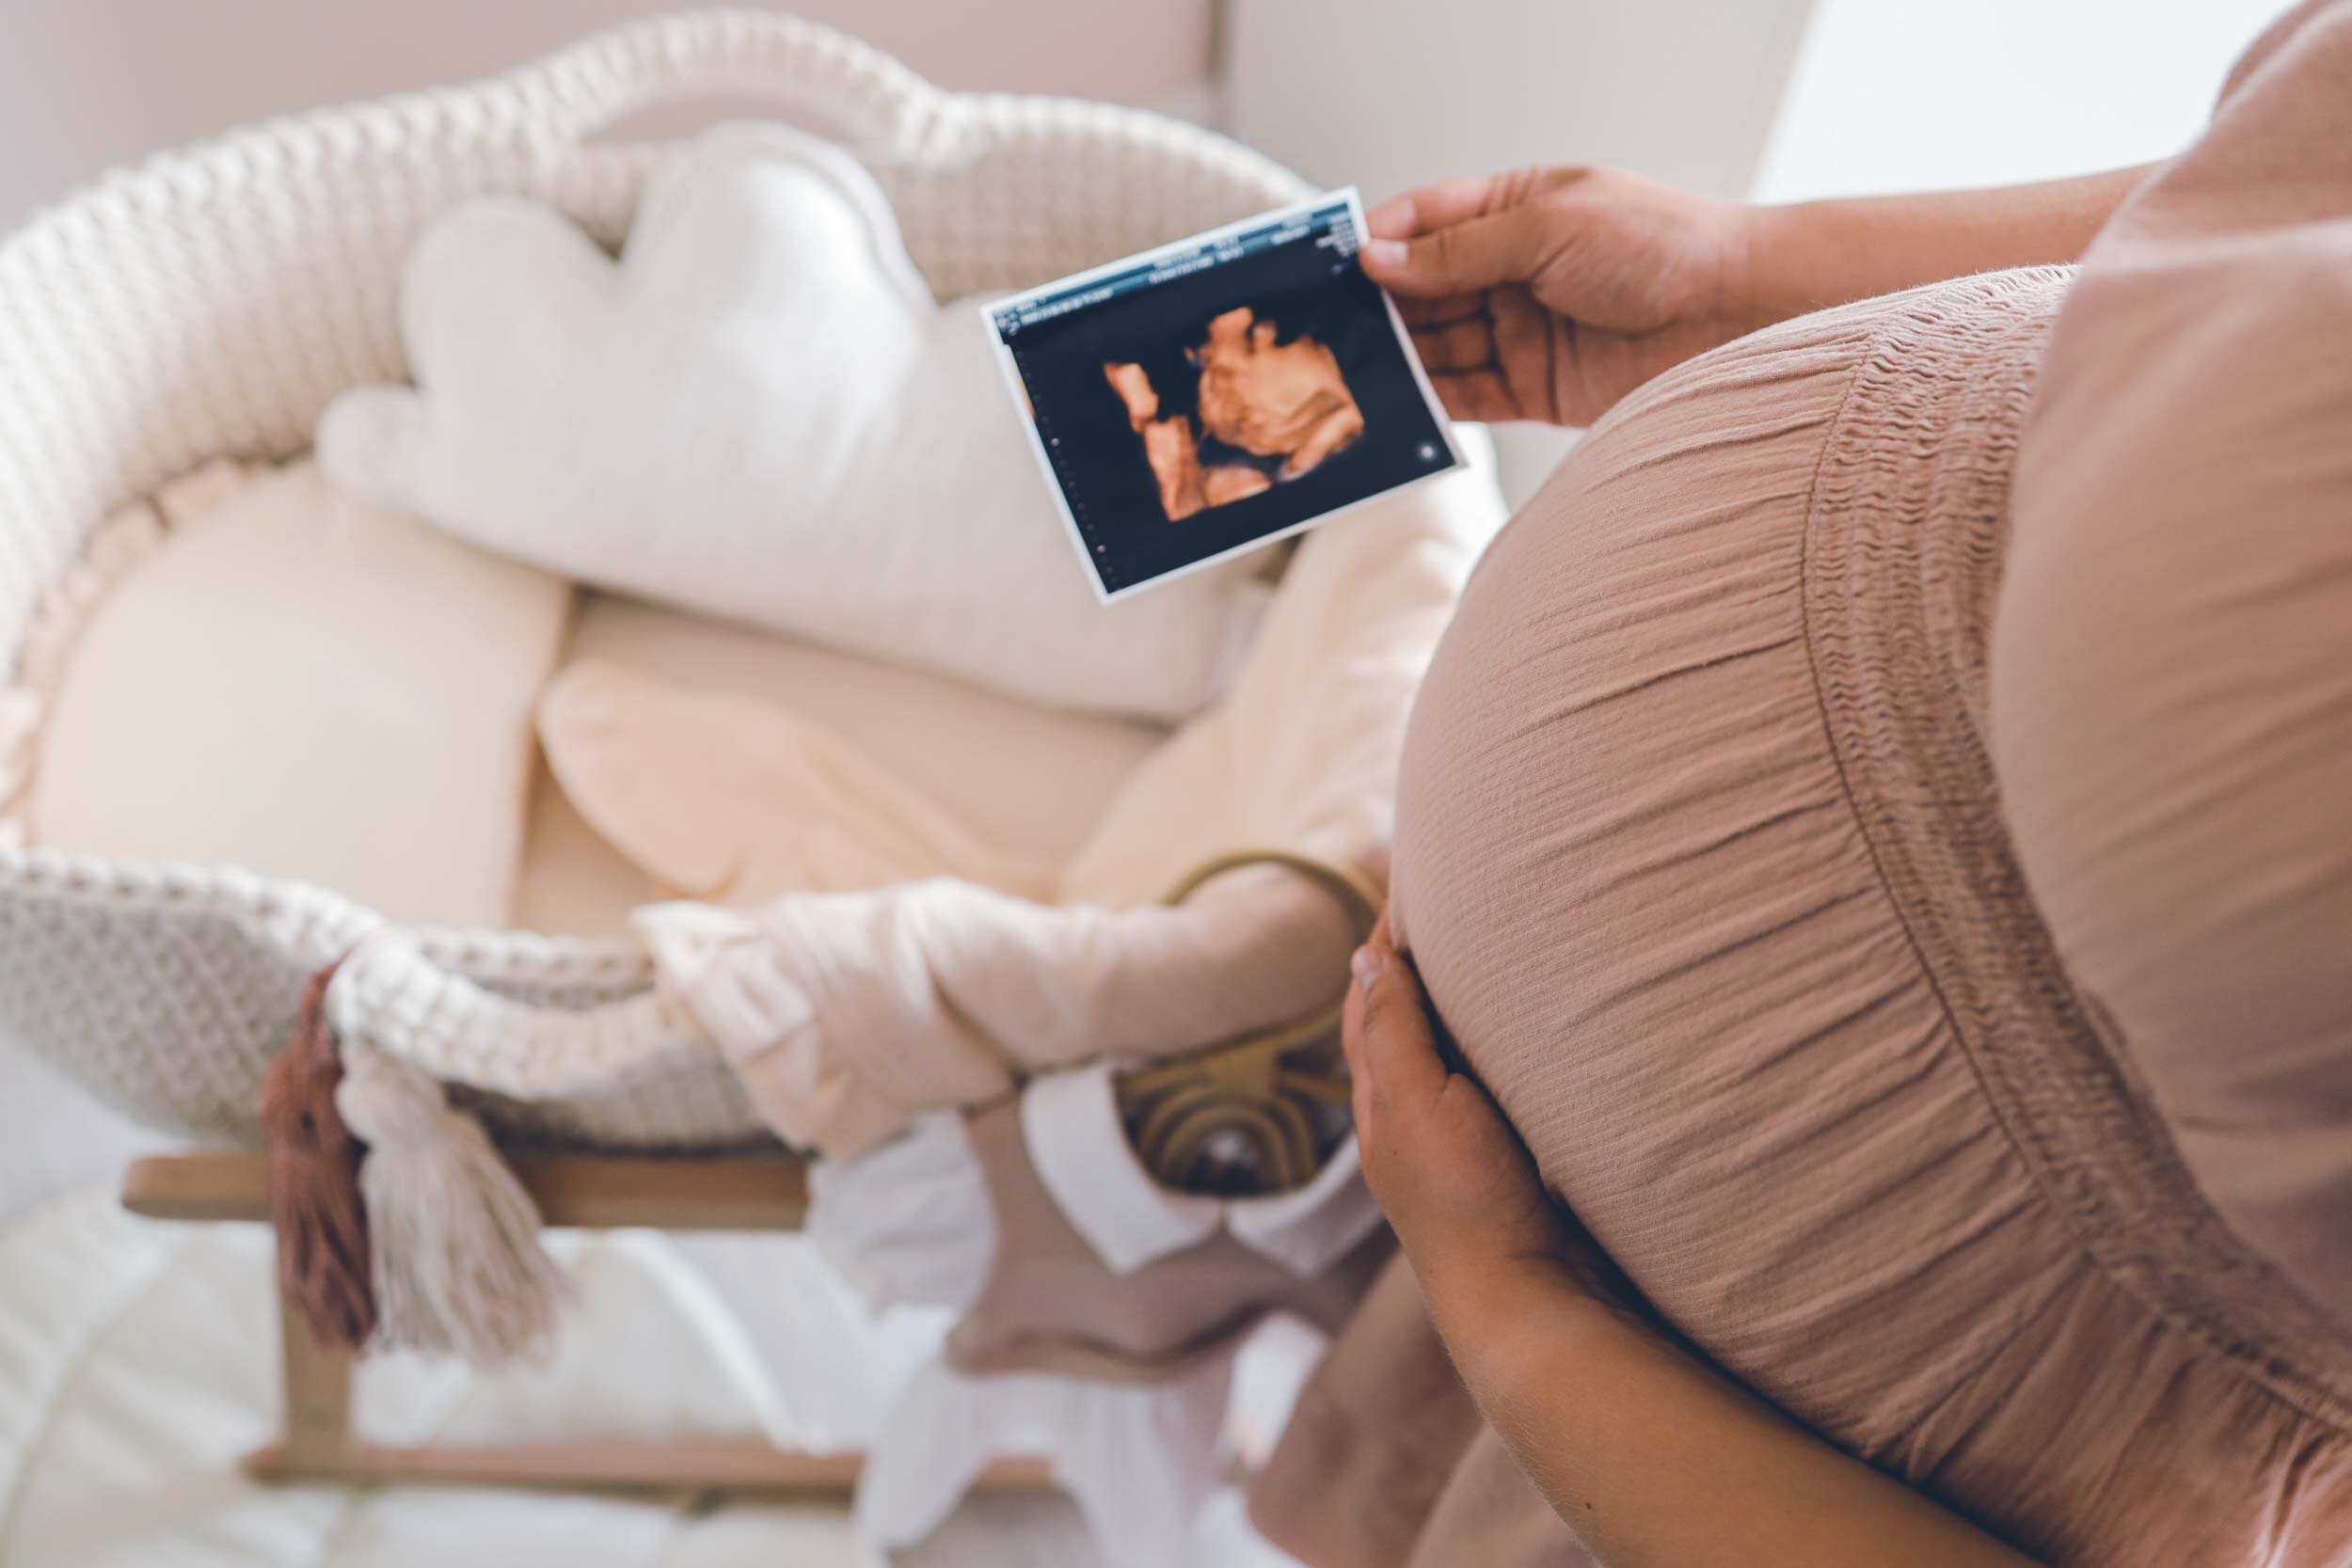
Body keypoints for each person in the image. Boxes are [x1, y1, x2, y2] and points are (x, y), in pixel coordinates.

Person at [1268, 4, 2352, 1564]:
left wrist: (1519, 1317)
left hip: (1792, 1408)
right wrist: (1742, 277)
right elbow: (2283, 184)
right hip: (1573, 1176)